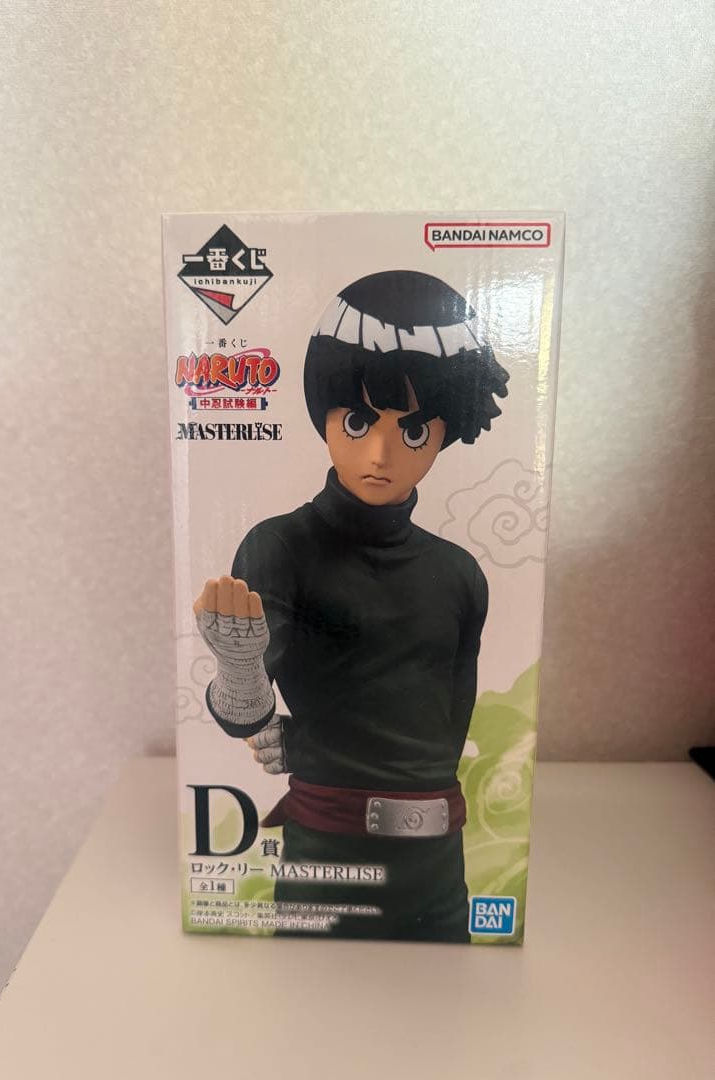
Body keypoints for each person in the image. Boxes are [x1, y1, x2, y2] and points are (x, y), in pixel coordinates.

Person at [193, 270, 509, 941]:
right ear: (324, 418)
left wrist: (311, 737)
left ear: (446, 431)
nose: (380, 453)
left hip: (439, 863)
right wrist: (242, 672)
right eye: (358, 421)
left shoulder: (460, 574)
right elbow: (243, 713)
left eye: (414, 429)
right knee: (310, 1000)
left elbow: (446, 729)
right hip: (328, 856)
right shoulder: (281, 546)